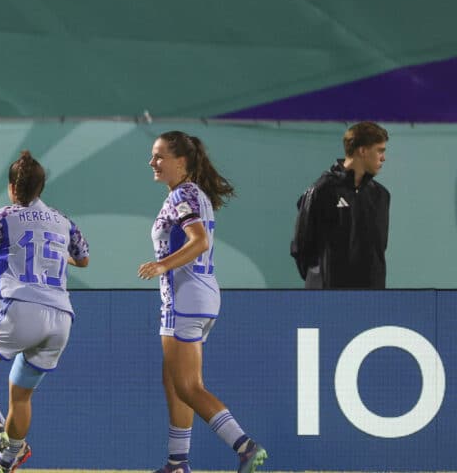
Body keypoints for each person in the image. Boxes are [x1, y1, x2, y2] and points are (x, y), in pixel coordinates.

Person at [0, 151, 89, 473]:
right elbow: (83, 259)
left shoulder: (3, 216)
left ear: (12, 187)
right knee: (21, 395)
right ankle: (8, 459)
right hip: (61, 318)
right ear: (40, 187)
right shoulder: (63, 220)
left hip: (23, 309)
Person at [137, 131, 266, 473]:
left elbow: (199, 240)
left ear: (182, 161)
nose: (153, 162)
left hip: (185, 297)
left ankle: (245, 446)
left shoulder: (183, 194)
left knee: (188, 386)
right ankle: (177, 463)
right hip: (198, 295)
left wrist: (163, 264)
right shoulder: (195, 194)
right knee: (173, 379)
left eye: (160, 156)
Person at [292, 121, 390, 289]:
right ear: (363, 150)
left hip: (371, 300)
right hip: (328, 298)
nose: (383, 158)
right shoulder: (321, 190)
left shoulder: (381, 195)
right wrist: (323, 279)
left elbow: (379, 248)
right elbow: (302, 246)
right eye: (380, 150)